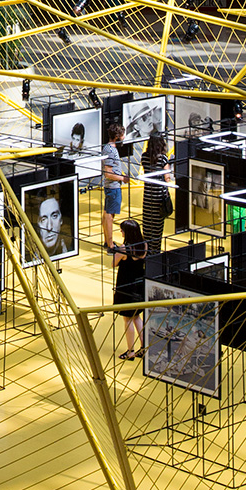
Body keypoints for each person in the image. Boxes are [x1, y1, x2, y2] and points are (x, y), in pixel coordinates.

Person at [112, 219, 148, 360]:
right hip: (138, 286)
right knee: (137, 317)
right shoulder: (144, 245)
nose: (121, 232)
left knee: (127, 319)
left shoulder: (124, 249)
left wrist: (116, 251)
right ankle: (144, 347)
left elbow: (113, 263)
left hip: (125, 287)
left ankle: (130, 351)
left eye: (122, 230)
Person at [141, 133, 171, 255]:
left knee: (147, 227)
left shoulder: (144, 157)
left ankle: (147, 253)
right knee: (157, 229)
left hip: (148, 197)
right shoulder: (163, 159)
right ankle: (155, 253)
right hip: (159, 198)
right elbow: (167, 177)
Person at [102, 122, 129, 252]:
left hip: (112, 187)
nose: (124, 138)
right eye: (123, 135)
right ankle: (110, 245)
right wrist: (123, 178)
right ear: (117, 136)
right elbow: (108, 173)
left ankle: (107, 242)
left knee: (107, 214)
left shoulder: (109, 148)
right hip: (113, 188)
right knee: (109, 215)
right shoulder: (110, 150)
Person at [33, 190, 73, 258]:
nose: (49, 227)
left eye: (54, 216)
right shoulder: (29, 255)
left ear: (61, 220)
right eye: (43, 220)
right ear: (38, 224)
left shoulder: (69, 247)